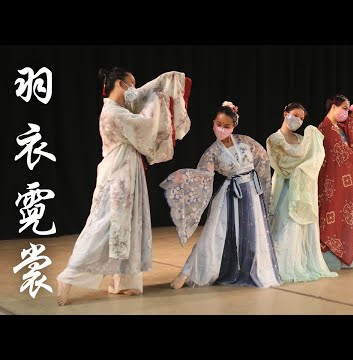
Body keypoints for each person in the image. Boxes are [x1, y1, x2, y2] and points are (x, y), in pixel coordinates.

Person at [56, 67, 191, 305]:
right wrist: (158, 97)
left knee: (129, 223)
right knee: (106, 224)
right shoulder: (114, 112)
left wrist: (161, 83)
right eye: (131, 84)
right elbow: (145, 126)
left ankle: (124, 283)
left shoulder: (118, 108)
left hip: (126, 170)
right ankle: (70, 275)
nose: (133, 89)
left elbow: (138, 96)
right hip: (118, 174)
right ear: (119, 84)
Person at [160, 101, 281, 289]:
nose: (221, 129)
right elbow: (203, 176)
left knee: (252, 233)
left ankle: (249, 269)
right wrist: (183, 179)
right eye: (218, 124)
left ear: (234, 127)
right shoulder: (213, 152)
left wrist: (264, 189)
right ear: (213, 122)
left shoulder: (245, 142)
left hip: (251, 191)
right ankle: (187, 272)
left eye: (226, 126)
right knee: (212, 234)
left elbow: (263, 160)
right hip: (230, 194)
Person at [266, 102, 337, 282]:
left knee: (301, 228)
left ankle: (300, 262)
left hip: (302, 189)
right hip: (285, 188)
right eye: (295, 115)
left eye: (301, 118)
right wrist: (304, 161)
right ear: (285, 113)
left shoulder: (301, 139)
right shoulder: (274, 139)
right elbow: (285, 164)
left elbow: (314, 160)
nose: (298, 120)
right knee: (286, 225)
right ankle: (280, 265)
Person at [317, 95, 353, 271]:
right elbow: (343, 156)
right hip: (331, 183)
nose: (346, 112)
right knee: (332, 219)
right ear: (333, 106)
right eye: (343, 107)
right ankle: (331, 261)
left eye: (348, 108)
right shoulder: (324, 129)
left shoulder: (341, 127)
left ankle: (348, 258)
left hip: (346, 183)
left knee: (347, 218)